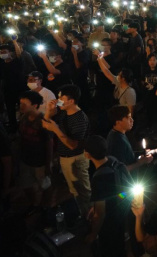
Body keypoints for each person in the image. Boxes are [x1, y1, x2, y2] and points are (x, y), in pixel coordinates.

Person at [42, 84, 92, 219]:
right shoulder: (64, 112)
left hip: (76, 159)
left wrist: (56, 129)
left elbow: (72, 145)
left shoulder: (80, 118)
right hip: (65, 158)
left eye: (60, 98)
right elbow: (45, 125)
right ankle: (83, 214)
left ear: (71, 101)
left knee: (83, 192)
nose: (57, 100)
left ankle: (91, 217)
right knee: (74, 190)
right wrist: (48, 111)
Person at [84, 135, 133, 257]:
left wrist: (93, 235)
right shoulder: (113, 160)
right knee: (120, 247)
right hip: (121, 213)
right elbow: (118, 192)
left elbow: (100, 213)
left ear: (87, 155)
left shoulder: (99, 177)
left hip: (109, 222)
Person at [18, 91, 52, 212]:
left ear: (35, 105)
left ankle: (47, 207)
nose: (21, 106)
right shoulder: (23, 118)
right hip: (25, 160)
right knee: (27, 185)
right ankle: (35, 205)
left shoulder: (43, 121)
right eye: (20, 103)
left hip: (39, 162)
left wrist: (48, 165)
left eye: (25, 104)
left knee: (45, 185)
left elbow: (49, 145)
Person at [106, 105, 154, 173]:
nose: (132, 120)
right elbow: (121, 169)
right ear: (118, 122)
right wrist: (141, 162)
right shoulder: (118, 141)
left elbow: (126, 154)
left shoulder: (117, 134)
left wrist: (140, 153)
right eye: (128, 118)